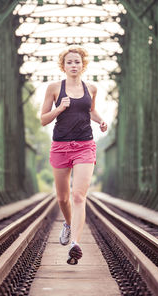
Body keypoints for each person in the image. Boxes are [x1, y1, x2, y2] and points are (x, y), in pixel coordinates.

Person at [41, 46, 107, 265]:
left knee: (78, 196)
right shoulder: (53, 88)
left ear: (83, 64)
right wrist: (59, 109)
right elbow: (43, 119)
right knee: (63, 198)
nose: (73, 65)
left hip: (85, 145)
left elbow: (90, 110)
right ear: (63, 65)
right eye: (69, 62)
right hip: (60, 146)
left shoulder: (91, 88)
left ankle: (74, 244)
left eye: (77, 62)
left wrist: (101, 120)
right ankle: (68, 224)